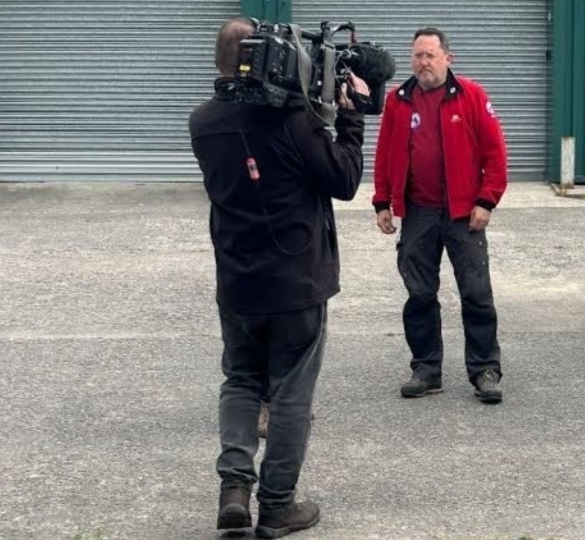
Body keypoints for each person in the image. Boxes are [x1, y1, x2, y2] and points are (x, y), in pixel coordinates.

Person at [189, 17, 369, 538]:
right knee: (291, 394)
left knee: (241, 380)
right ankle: (276, 505)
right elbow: (344, 178)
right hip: (296, 284)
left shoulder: (202, 122)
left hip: (238, 283)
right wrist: (349, 117)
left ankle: (234, 490)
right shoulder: (292, 121)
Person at [373, 27, 508, 404]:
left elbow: (495, 153)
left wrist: (487, 200)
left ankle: (484, 369)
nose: (423, 62)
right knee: (419, 293)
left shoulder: (471, 96)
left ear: (449, 58)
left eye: (430, 55)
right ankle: (427, 369)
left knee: (476, 293)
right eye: (418, 55)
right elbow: (385, 154)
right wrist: (382, 202)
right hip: (418, 212)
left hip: (464, 213)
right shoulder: (398, 100)